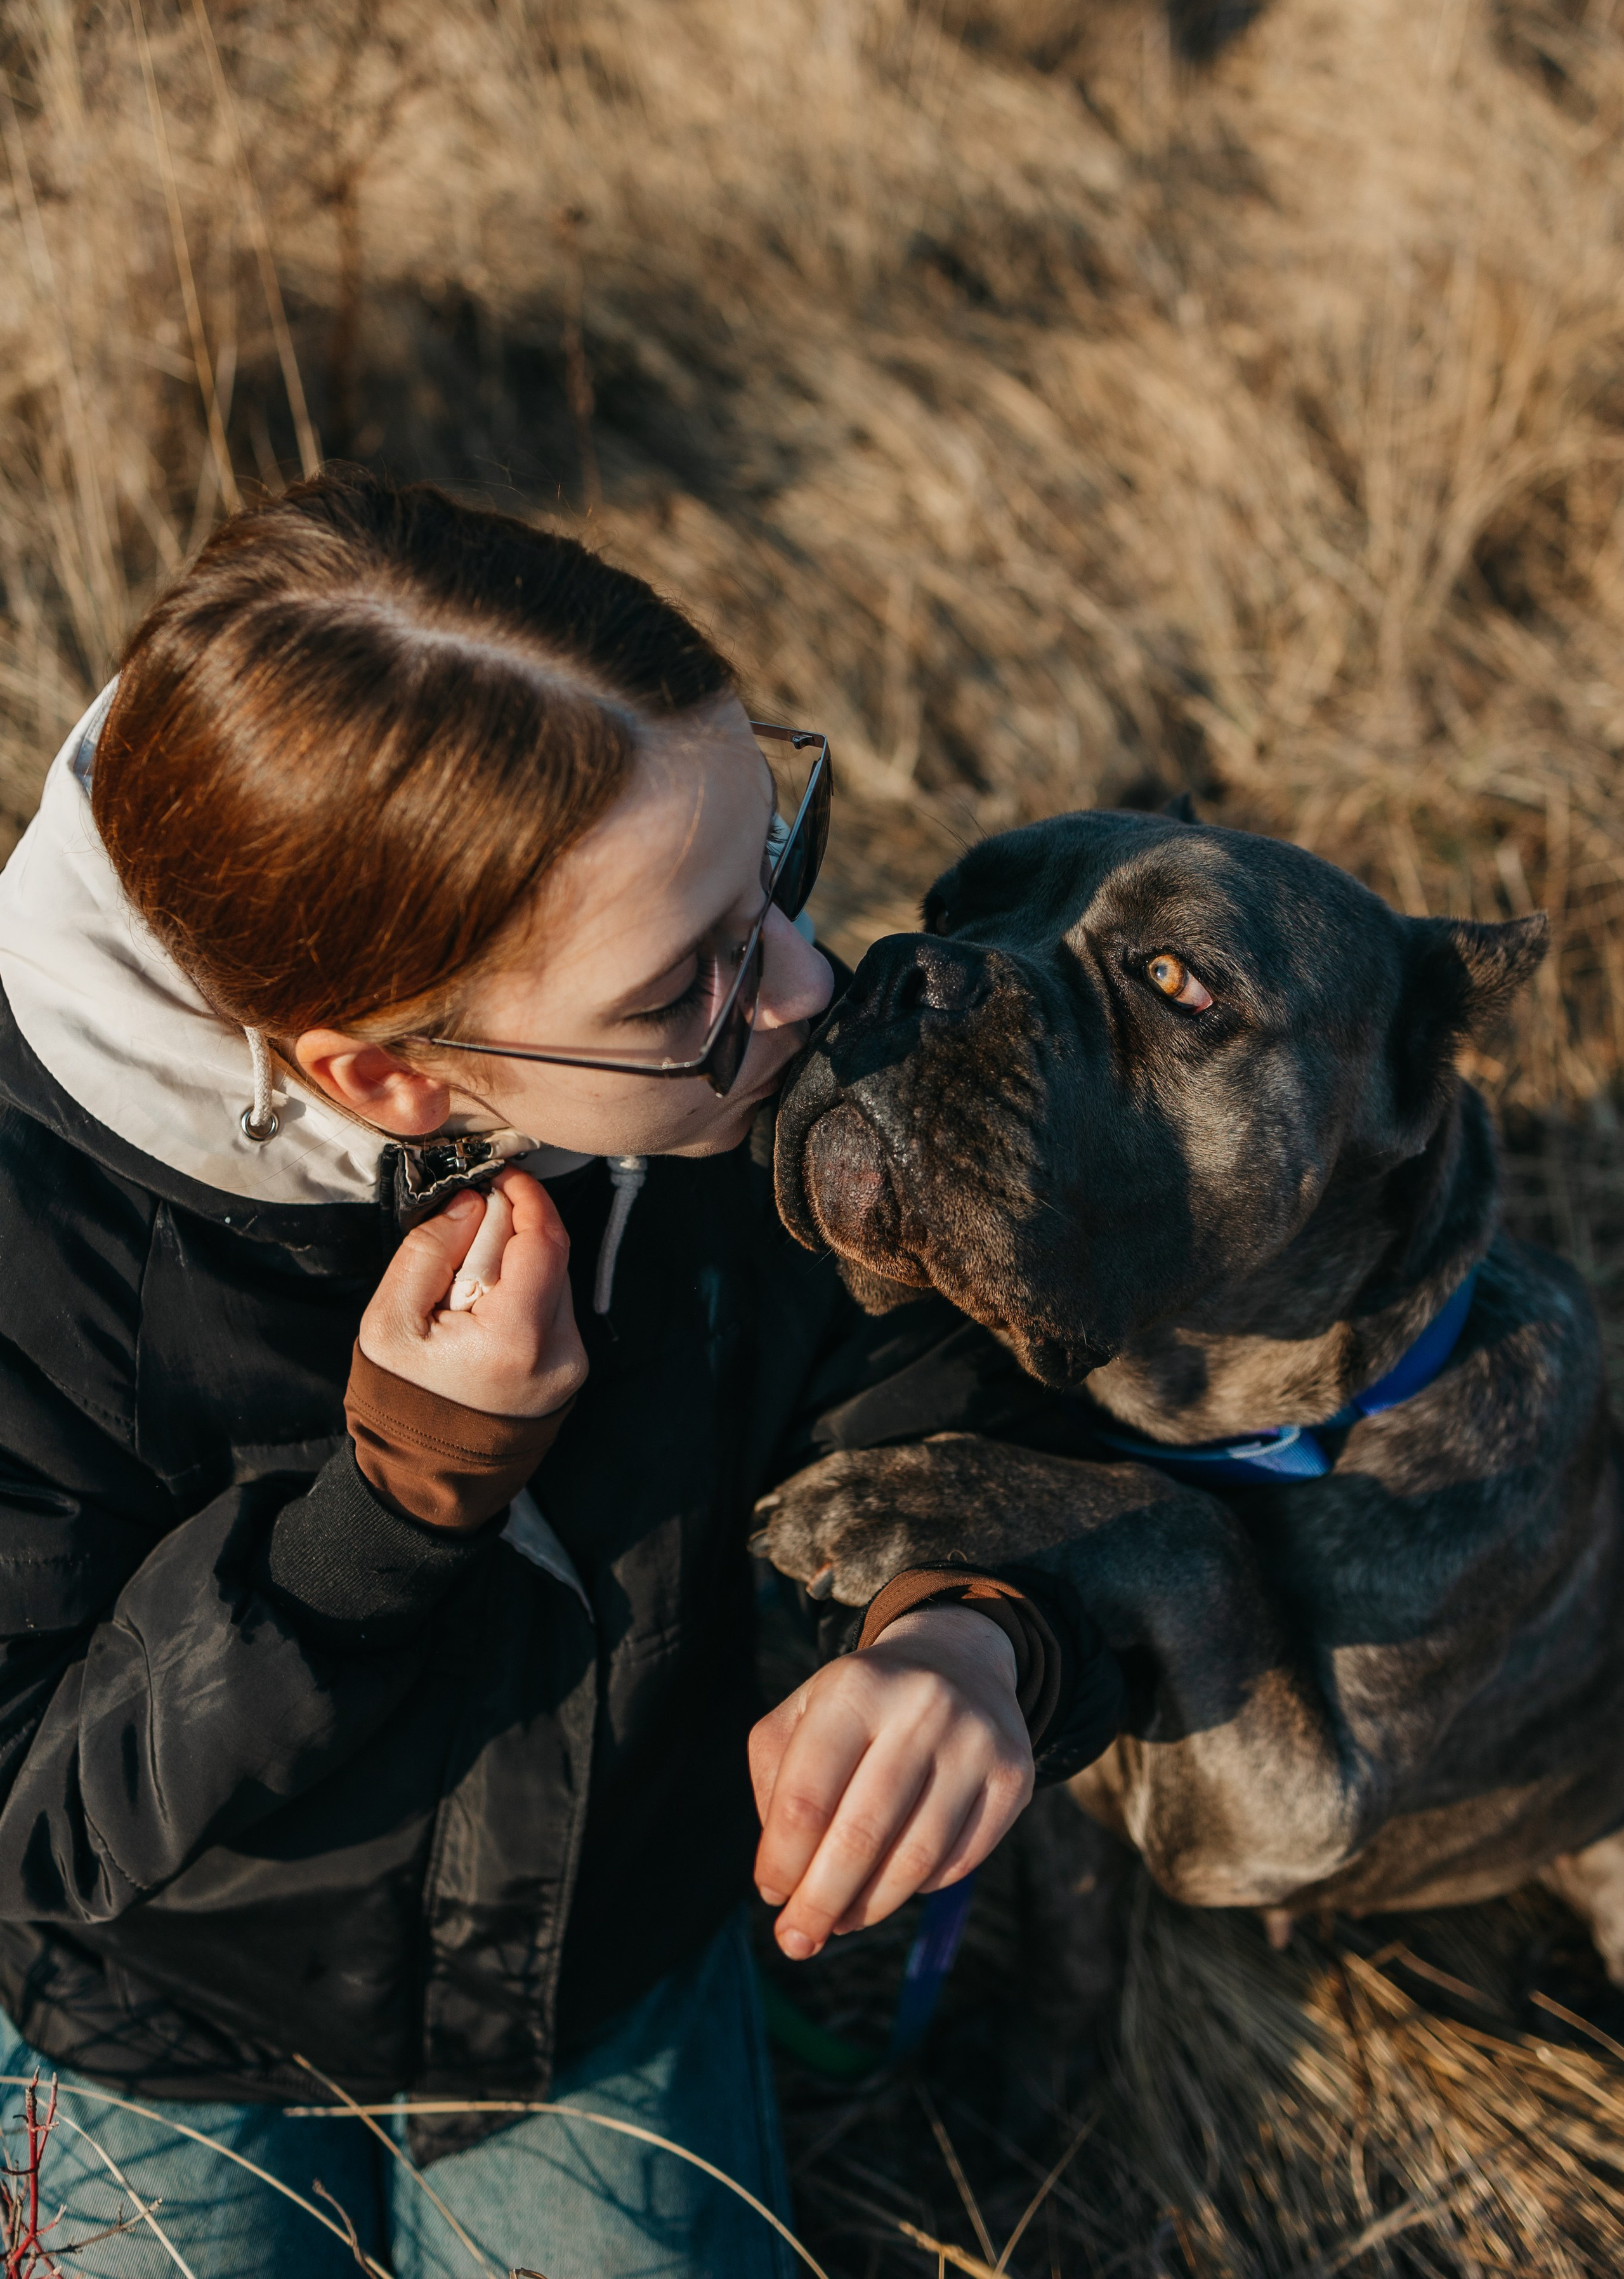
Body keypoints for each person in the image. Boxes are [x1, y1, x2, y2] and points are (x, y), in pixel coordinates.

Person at [0, 474, 1121, 2278]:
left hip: (611, 1963)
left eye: (774, 864)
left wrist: (969, 1623)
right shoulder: (32, 1229)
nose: (808, 980)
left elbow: (943, 1403)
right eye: (687, 980)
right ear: (387, 1080)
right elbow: (27, 1810)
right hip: (157, 2022)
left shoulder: (733, 1067)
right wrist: (384, 1517)